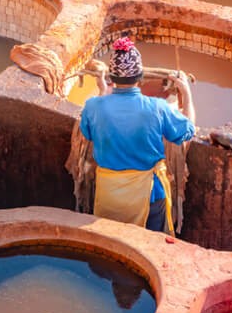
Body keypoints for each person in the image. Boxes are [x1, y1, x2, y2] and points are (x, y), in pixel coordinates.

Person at [79, 37, 196, 234]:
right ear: (140, 77)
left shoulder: (93, 106)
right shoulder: (157, 108)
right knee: (148, 249)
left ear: (111, 77)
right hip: (149, 195)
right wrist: (187, 94)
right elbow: (188, 132)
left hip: (109, 195)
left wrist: (102, 91)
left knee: (110, 243)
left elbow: (88, 132)